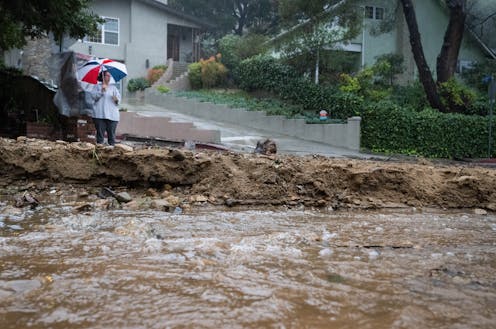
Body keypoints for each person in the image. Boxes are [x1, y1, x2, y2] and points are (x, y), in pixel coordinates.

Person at [92, 70, 121, 145]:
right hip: (100, 115)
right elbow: (94, 98)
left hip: (112, 116)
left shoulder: (113, 88)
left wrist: (116, 100)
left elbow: (118, 101)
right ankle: (99, 153)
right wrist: (101, 91)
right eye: (107, 75)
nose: (109, 77)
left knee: (111, 137)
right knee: (100, 137)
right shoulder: (97, 87)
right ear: (102, 76)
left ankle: (111, 153)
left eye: (109, 76)